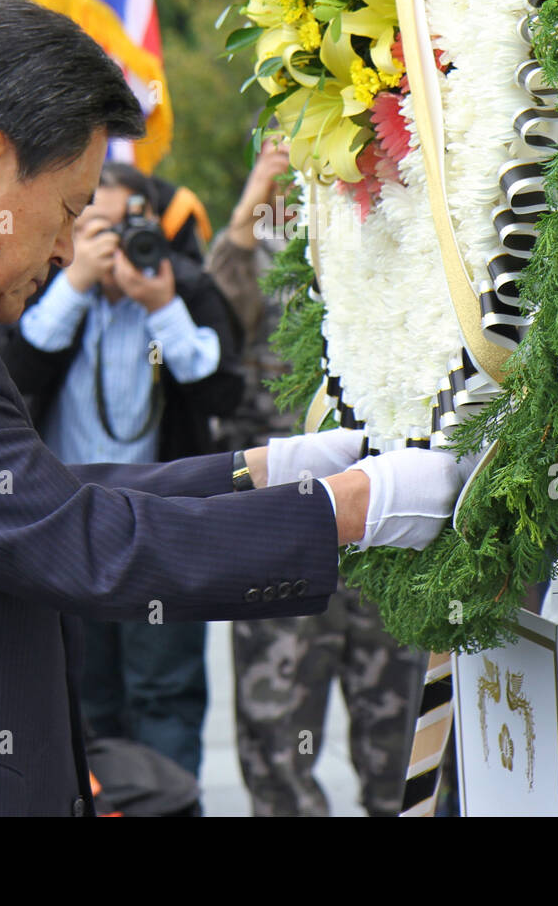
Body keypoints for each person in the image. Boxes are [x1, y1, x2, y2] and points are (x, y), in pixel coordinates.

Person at [0, 0, 466, 816]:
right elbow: (83, 543)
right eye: (69, 208)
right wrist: (348, 510)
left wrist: (261, 471)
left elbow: (29, 499)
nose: (71, 246)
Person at [0, 161, 243, 778]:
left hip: (166, 528)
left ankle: (170, 799)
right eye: (93, 223)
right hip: (67, 523)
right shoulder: (47, 285)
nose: (113, 240)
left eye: (131, 223)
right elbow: (16, 369)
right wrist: (75, 285)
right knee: (84, 693)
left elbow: (222, 391)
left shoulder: (184, 286)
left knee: (165, 693)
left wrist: (162, 306)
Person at [209, 141, 427, 816]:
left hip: (387, 521)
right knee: (276, 742)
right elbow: (208, 324)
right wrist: (254, 204)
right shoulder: (261, 252)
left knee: (407, 740)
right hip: (281, 527)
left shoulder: (400, 230)